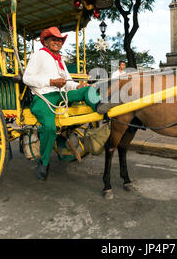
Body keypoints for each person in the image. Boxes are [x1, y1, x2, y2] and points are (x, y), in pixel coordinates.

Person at [23, 26, 115, 180]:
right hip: (42, 98)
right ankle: (44, 162)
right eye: (54, 39)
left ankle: (99, 106)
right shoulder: (38, 56)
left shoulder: (60, 59)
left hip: (61, 95)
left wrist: (78, 86)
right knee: (49, 127)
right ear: (45, 41)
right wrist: (51, 81)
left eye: (59, 40)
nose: (57, 42)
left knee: (87, 91)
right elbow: (27, 78)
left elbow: (68, 83)